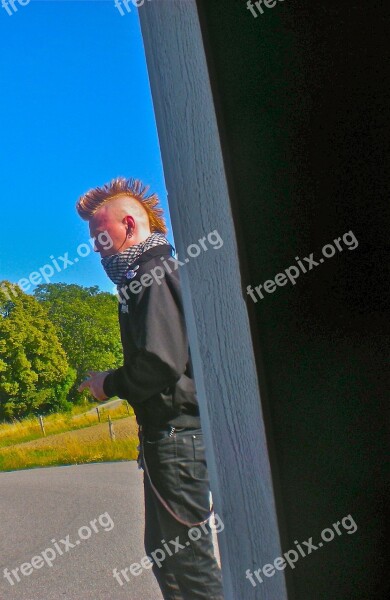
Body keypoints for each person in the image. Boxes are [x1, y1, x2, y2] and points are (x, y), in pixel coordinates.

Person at [76, 177, 224, 600]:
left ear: (128, 224)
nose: (96, 248)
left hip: (177, 438)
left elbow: (161, 362)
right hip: (173, 437)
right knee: (166, 553)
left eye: (101, 236)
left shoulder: (150, 275)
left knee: (185, 563)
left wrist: (110, 383)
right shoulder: (150, 276)